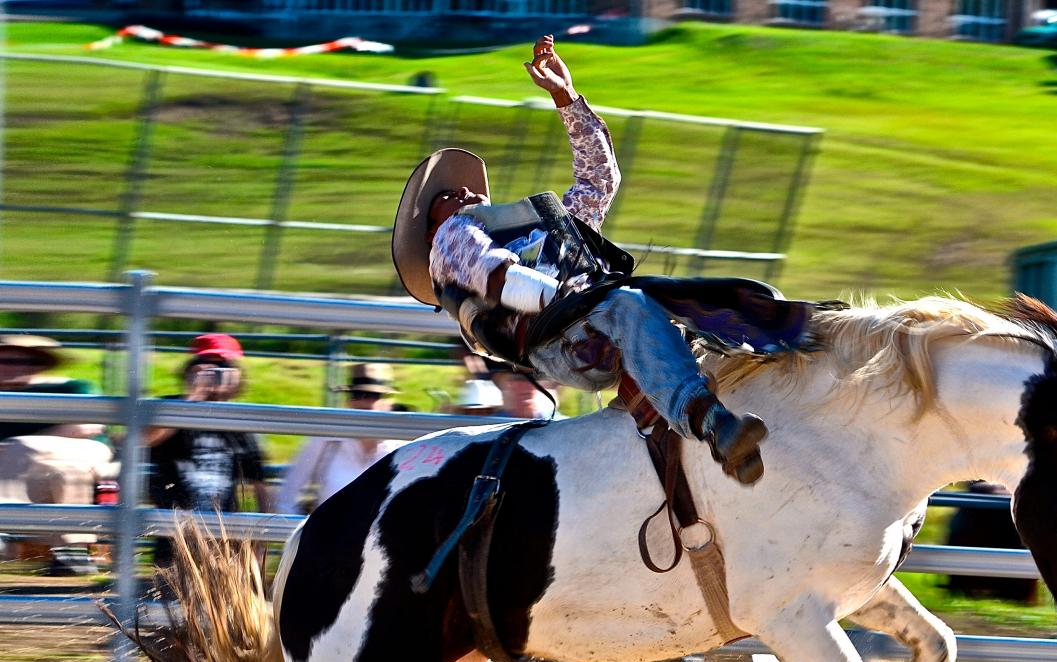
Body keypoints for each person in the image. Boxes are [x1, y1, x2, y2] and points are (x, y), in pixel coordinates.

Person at [392, 35, 769, 485]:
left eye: (463, 190)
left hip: (593, 314)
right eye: (445, 198)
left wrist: (566, 97)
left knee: (745, 299)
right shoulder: (452, 240)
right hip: (560, 336)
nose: (462, 193)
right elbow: (499, 278)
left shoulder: (540, 229)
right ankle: (715, 425)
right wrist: (571, 297)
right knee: (630, 305)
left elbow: (600, 180)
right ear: (432, 230)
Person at [0, 334, 109, 574]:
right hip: (36, 471)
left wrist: (14, 449)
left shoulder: (70, 388)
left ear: (39, 366)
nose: (10, 368)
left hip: (85, 450)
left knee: (26, 447)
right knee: (63, 473)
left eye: (23, 362)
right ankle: (71, 556)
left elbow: (86, 427)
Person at [146, 333, 271, 567]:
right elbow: (144, 440)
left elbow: (261, 487)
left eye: (223, 367)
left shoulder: (240, 421)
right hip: (175, 541)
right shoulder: (171, 408)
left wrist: (260, 544)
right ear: (190, 370)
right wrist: (192, 398)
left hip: (224, 543)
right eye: (207, 367)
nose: (215, 374)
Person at [278, 363, 402, 516]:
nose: (364, 403)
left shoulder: (399, 448)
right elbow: (287, 495)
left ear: (388, 404)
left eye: (373, 396)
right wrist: (304, 534)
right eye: (357, 394)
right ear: (348, 401)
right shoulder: (325, 440)